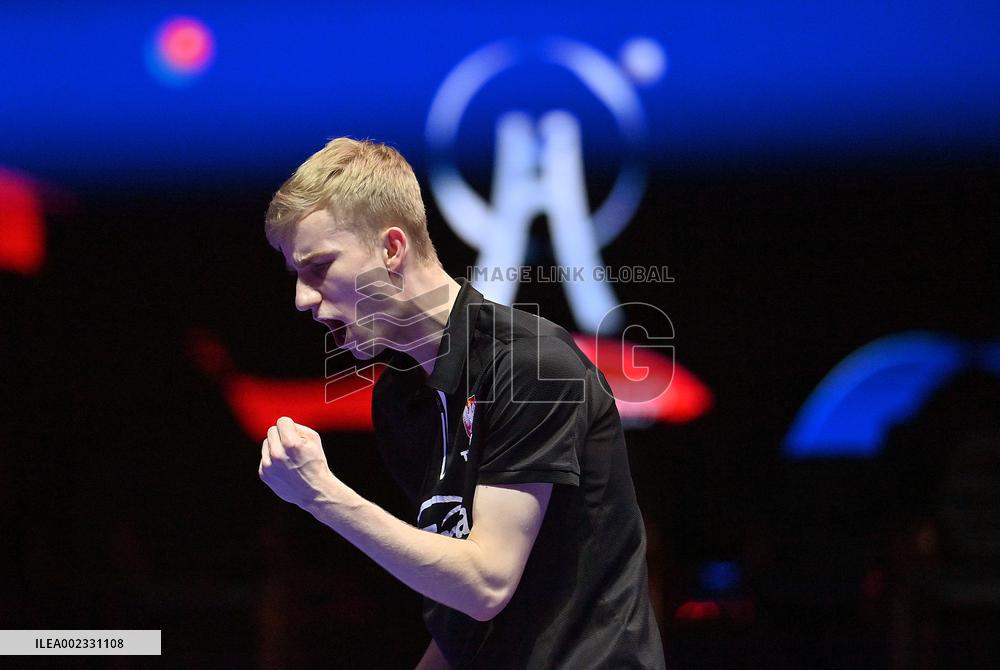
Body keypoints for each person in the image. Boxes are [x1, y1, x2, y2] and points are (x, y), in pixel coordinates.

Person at [258, 137, 666, 669]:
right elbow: (462, 615)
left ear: (391, 249)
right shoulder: (400, 399)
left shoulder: (531, 365)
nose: (303, 299)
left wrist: (321, 496)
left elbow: (485, 582)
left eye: (319, 267)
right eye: (296, 274)